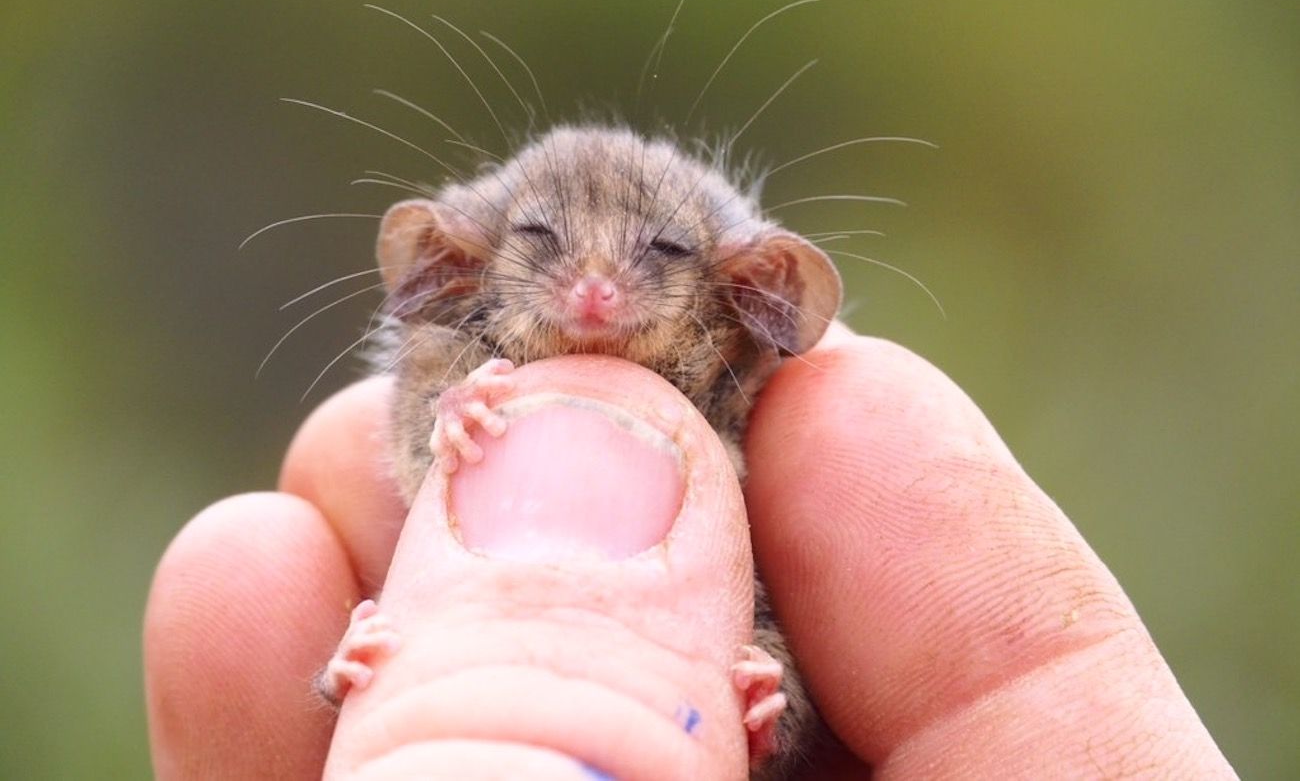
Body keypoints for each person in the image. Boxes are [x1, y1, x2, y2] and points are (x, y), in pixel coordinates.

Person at [144, 328, 1237, 778]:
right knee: (335, 625)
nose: (593, 297)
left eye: (656, 255)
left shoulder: (752, 439)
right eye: (543, 249)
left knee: (765, 664)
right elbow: (406, 440)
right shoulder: (451, 381)